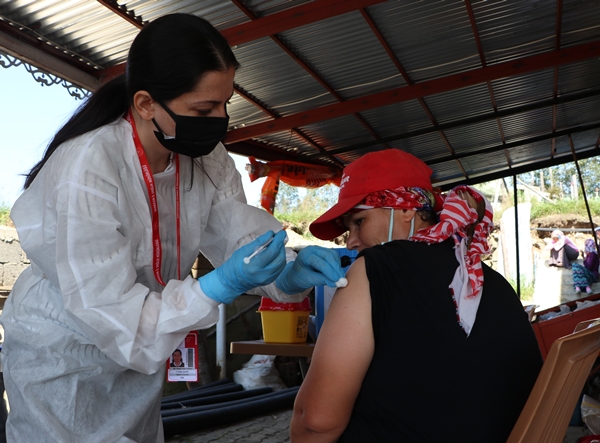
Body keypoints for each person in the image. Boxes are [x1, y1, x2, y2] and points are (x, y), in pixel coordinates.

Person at [0, 14, 345, 442]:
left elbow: (236, 230)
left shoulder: (206, 158)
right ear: (146, 104)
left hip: (145, 354)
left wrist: (287, 270)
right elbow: (111, 312)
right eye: (204, 109)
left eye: (224, 105)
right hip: (67, 364)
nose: (219, 120)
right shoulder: (89, 166)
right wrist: (216, 286)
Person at [290, 149, 543, 443]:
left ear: (407, 208)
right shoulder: (494, 283)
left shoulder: (375, 269)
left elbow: (316, 421)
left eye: (359, 222)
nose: (352, 242)